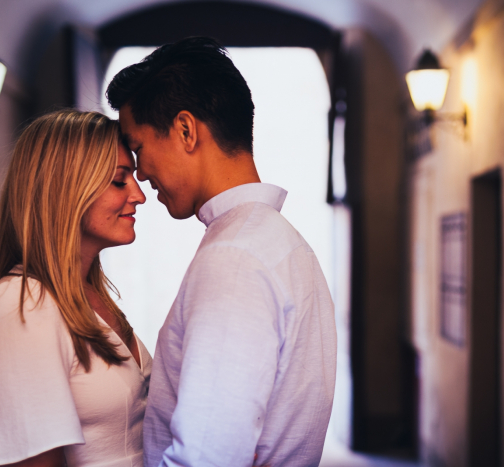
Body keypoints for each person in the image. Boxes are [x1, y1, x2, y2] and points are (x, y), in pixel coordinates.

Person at [107, 37, 337, 466]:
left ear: (185, 130)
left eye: (138, 149)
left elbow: (206, 457)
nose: (139, 173)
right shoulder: (279, 242)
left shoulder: (235, 260)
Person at [0, 109, 150, 467]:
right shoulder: (22, 303)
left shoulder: (92, 297)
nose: (139, 196)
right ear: (67, 188)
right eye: (118, 180)